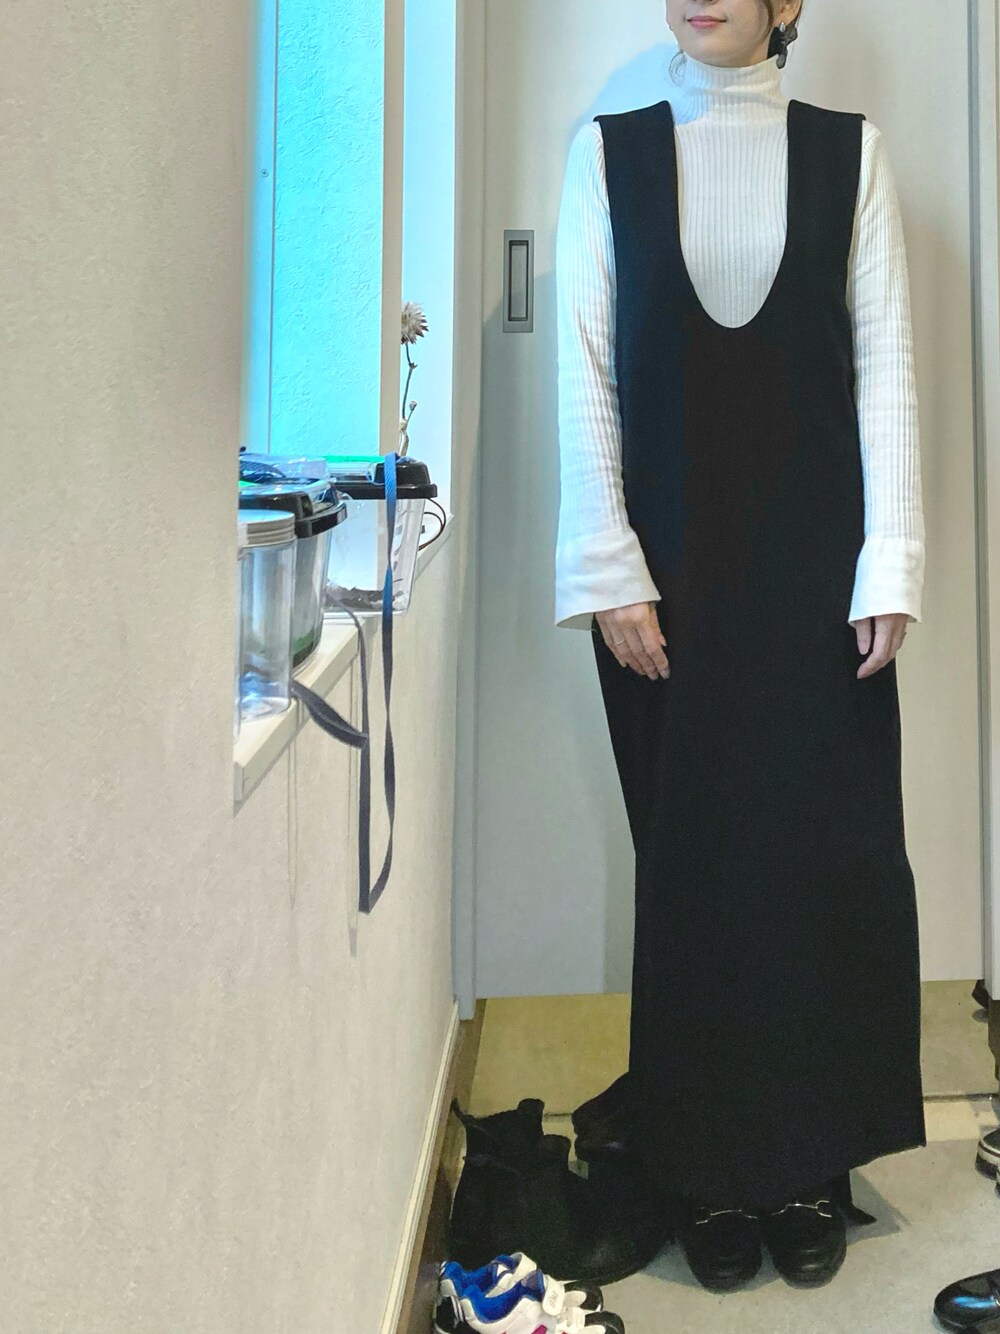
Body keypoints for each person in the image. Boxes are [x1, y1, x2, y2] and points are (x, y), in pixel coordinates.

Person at [554, 0, 927, 1293]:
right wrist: (607, 559)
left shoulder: (849, 154)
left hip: (823, 587)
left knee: (825, 864)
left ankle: (811, 1164)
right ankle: (709, 1167)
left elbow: (886, 367)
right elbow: (586, 369)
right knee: (698, 870)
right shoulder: (608, 152)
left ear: (790, 3)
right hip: (665, 590)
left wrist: (892, 561)